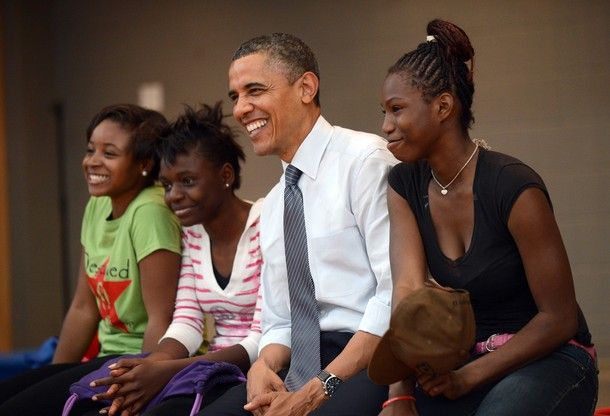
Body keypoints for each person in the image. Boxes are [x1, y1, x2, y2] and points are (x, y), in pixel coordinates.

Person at [379, 19, 598, 416]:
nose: (386, 126)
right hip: (462, 361)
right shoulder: (403, 184)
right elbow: (407, 295)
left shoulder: (513, 186)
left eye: (396, 110)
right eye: (384, 112)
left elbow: (559, 318)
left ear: (443, 106)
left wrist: (469, 377)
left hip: (550, 358)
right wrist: (400, 394)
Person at [199, 33, 396, 416]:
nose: (241, 109)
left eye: (254, 90)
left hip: (368, 355)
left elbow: (394, 297)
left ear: (306, 87)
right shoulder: (273, 205)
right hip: (302, 359)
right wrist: (263, 365)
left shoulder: (366, 161)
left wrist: (318, 388)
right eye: (235, 96)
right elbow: (279, 320)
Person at [0, 104, 182, 414]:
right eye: (90, 150)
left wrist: (139, 388)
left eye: (109, 153)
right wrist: (53, 378)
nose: (92, 162)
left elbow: (160, 319)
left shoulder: (150, 213)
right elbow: (84, 308)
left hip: (136, 361)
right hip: (105, 358)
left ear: (145, 163)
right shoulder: (98, 205)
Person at [86, 102, 264, 416]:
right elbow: (187, 323)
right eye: (167, 185)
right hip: (210, 369)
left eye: (187, 181)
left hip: (261, 371)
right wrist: (147, 365)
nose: (173, 196)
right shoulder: (193, 233)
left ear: (226, 175)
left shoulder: (266, 224)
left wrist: (166, 370)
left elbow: (262, 338)